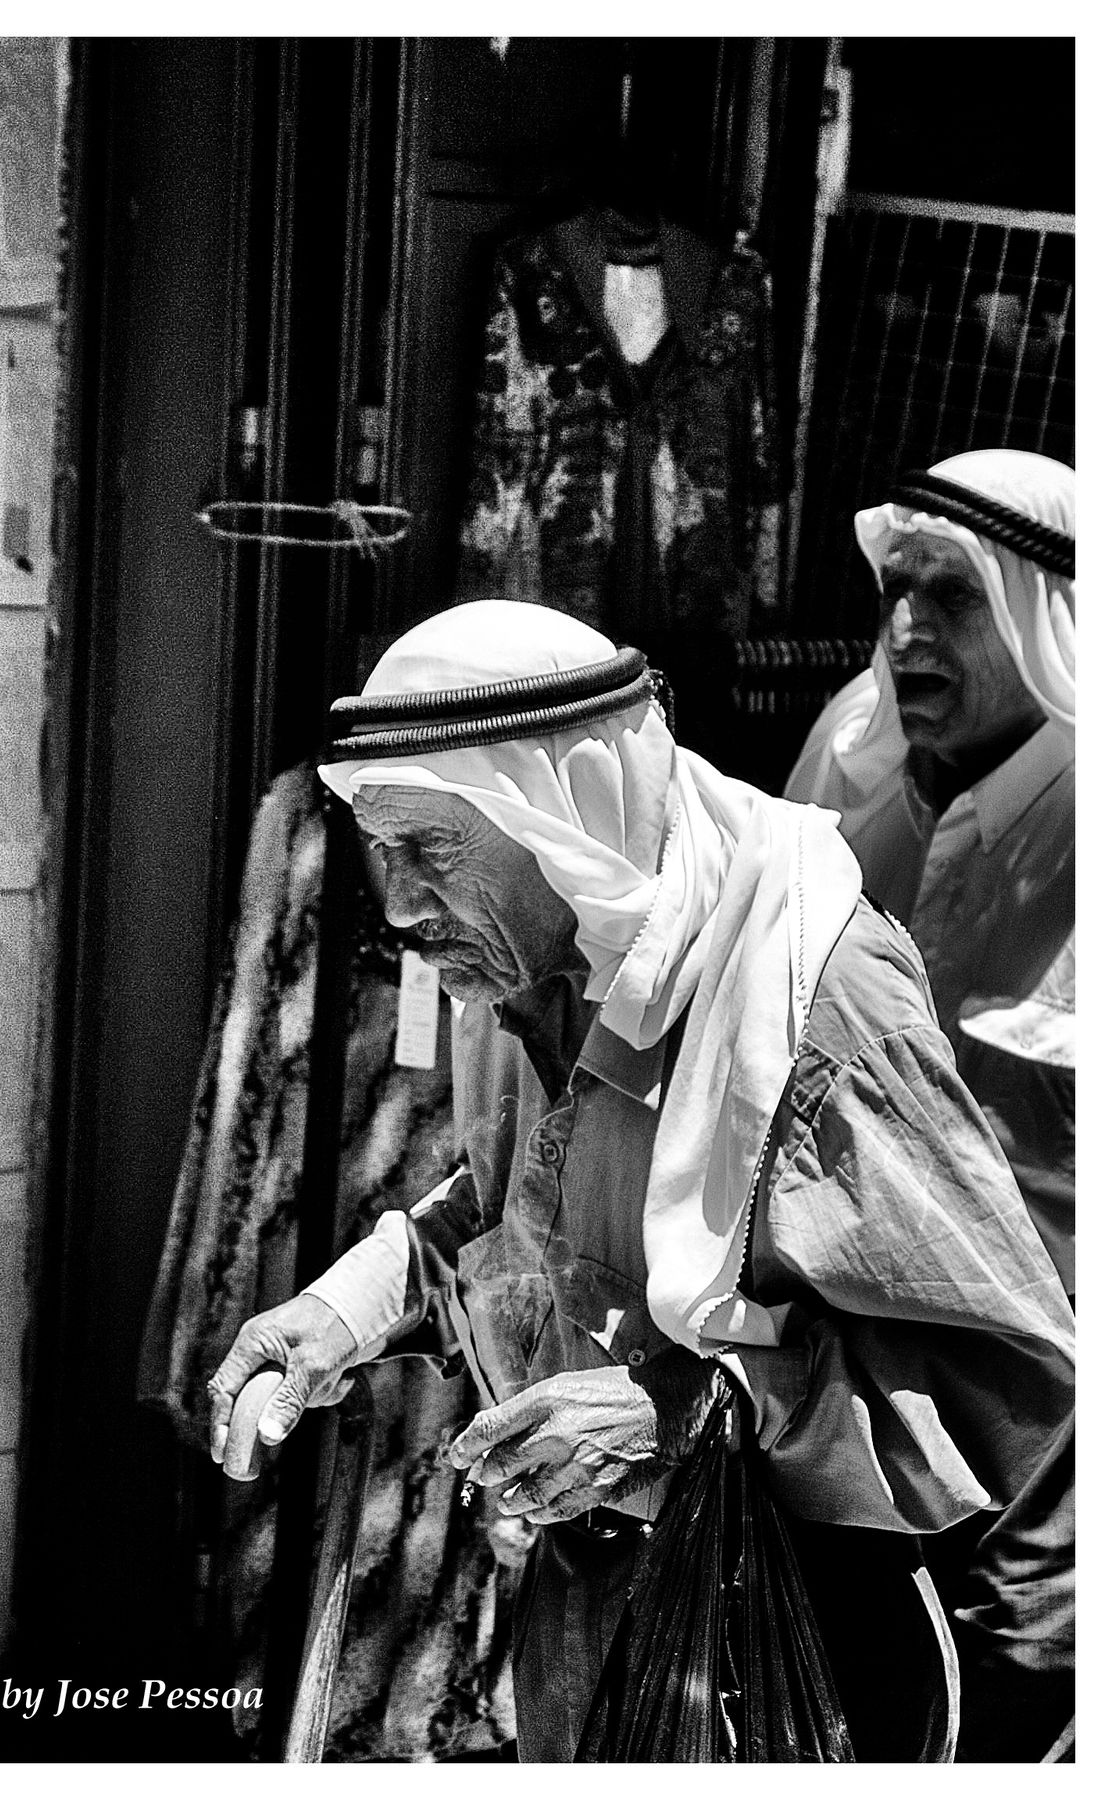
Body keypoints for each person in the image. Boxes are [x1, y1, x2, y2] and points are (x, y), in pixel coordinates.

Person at [208, 599, 1074, 1762]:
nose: (402, 908)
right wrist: (344, 1308)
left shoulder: (815, 1000)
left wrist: (681, 1411)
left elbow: (1006, 1373)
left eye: (435, 851)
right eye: (381, 852)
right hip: (588, 1637)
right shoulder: (532, 967)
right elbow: (518, 1210)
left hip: (788, 1660)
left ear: (570, 813)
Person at [785, 450, 1075, 1760]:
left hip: (1042, 1472)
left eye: (951, 596)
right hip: (836, 1440)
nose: (907, 629)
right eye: (894, 591)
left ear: (1042, 616)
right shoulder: (851, 789)